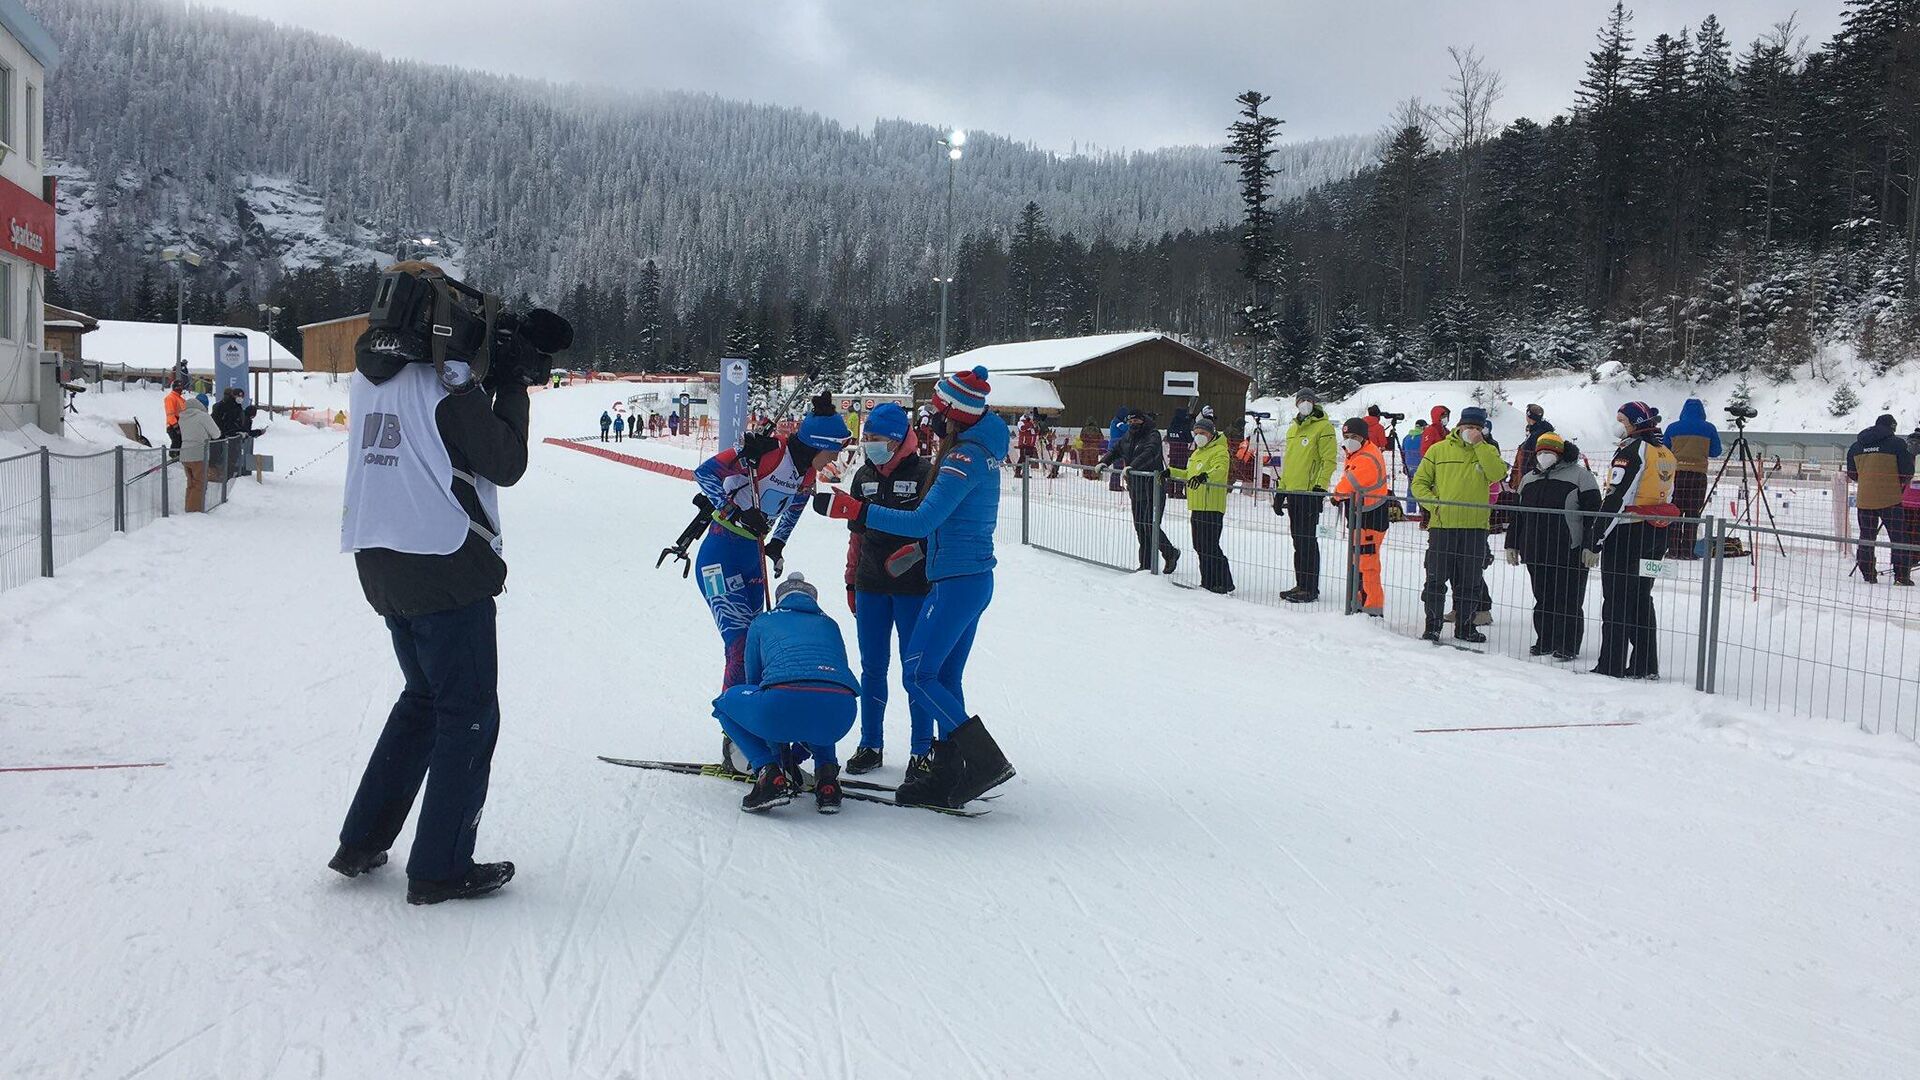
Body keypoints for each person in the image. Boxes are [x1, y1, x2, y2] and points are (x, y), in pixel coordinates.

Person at [334, 263, 548, 904]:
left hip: (382, 561)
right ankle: (440, 867)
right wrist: (510, 383)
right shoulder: (445, 389)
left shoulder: (370, 378)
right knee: (469, 715)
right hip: (445, 563)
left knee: (423, 700)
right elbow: (505, 462)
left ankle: (362, 840)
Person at [814, 365, 1014, 809]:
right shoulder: (975, 450)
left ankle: (982, 760)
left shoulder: (961, 459)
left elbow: (924, 521)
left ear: (954, 414)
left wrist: (857, 511)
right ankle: (950, 768)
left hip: (955, 582)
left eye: (937, 411)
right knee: (944, 676)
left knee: (919, 675)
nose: (931, 420)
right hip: (966, 576)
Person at [693, 395, 851, 695]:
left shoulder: (806, 472)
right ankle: (734, 726)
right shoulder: (767, 452)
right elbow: (704, 474)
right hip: (719, 557)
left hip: (753, 556)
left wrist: (777, 543)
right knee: (738, 646)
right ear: (817, 444)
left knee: (758, 642)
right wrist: (735, 513)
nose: (834, 459)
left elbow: (795, 508)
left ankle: (757, 709)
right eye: (833, 451)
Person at [839, 403, 934, 775]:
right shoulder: (863, 475)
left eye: (875, 438)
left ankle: (921, 750)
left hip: (913, 588)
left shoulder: (926, 473)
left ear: (896, 440)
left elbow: (934, 530)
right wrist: (850, 579)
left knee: (916, 671)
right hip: (871, 585)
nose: (868, 445)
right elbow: (855, 536)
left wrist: (917, 555)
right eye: (866, 439)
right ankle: (870, 744)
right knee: (872, 668)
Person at [712, 574, 860, 814]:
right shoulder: (830, 623)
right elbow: (833, 680)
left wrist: (778, 753)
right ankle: (828, 780)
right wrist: (796, 755)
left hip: (782, 703)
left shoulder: (762, 621)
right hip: (841, 713)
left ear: (781, 599)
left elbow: (755, 681)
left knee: (724, 704)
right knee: (823, 695)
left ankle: (768, 773)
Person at [1594, 401, 1679, 679]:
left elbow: (1618, 496)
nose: (1619, 426)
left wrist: (1596, 535)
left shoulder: (1632, 451)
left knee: (1617, 599)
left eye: (1622, 421)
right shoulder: (1664, 450)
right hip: (1657, 531)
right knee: (1642, 598)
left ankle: (1611, 664)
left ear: (1634, 423)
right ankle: (1645, 664)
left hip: (1628, 532)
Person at [1410, 405, 1505, 643]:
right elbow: (1419, 483)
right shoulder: (1438, 450)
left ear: (1482, 430)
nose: (1471, 431)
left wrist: (1480, 446)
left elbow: (1497, 474)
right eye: (1467, 426)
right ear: (1458, 426)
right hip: (1443, 526)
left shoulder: (1488, 450)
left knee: (1470, 582)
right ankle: (1432, 626)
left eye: (1476, 427)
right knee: (1435, 579)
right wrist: (1435, 505)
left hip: (1474, 528)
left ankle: (1465, 627)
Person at [1505, 432, 1603, 661]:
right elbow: (1518, 515)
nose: (1544, 455)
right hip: (1536, 549)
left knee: (1568, 600)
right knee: (1543, 598)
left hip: (1569, 550)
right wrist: (1512, 543)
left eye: (1549, 452)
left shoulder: (1581, 477)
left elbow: (1594, 515)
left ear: (1560, 454)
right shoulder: (1529, 479)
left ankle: (1568, 645)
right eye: (1540, 452)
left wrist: (1590, 545)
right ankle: (1545, 640)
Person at [1273, 389, 1337, 602]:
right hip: (1293, 491)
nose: (1305, 404)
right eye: (1302, 400)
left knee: (1308, 540)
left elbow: (1328, 460)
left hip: (1309, 492)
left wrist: (1320, 486)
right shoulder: (1293, 429)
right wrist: (1281, 490)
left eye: (1309, 400)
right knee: (1297, 540)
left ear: (1315, 403)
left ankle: (1310, 588)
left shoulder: (1324, 427)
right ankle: (1300, 583)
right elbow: (1289, 463)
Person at [1101, 408, 1180, 573]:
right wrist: (1104, 462)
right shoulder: (1128, 436)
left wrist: (1132, 466)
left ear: (1142, 420)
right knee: (1140, 527)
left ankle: (1170, 552)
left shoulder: (1153, 435)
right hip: (1136, 488)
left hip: (1153, 487)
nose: (1133, 424)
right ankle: (1145, 566)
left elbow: (1150, 453)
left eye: (1136, 421)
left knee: (1150, 525)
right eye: (1130, 422)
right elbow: (1116, 450)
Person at [1846, 413, 1917, 585]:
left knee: (1866, 537)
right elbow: (1907, 471)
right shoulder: (1897, 444)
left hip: (1864, 499)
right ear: (1892, 427)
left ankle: (1868, 574)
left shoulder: (1856, 446)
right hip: (1890, 499)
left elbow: (1852, 474)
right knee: (1899, 537)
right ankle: (1901, 576)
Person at [1330, 417, 1391, 616]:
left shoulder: (1366, 457)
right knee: (1359, 561)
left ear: (1364, 437)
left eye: (1354, 436)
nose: (1349, 440)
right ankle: (1359, 601)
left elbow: (1350, 483)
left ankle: (1371, 607)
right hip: (1361, 515)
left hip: (1369, 517)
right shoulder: (1357, 453)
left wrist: (1336, 496)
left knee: (1367, 562)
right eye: (1346, 436)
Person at [1168, 411, 1234, 593]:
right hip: (1197, 505)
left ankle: (1223, 581)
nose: (1199, 436)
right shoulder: (1197, 453)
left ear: (1211, 434)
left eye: (1202, 433)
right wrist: (1171, 472)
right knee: (1199, 545)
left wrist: (1205, 476)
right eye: (1196, 433)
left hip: (1212, 505)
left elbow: (1219, 470)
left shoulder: (1220, 450)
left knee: (1210, 545)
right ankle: (1208, 581)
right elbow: (1189, 475)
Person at [1662, 398, 1722, 559]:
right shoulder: (1709, 428)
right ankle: (1688, 551)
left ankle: (1673, 550)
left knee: (1674, 512)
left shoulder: (1672, 428)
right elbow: (1716, 451)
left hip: (1676, 474)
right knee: (1692, 514)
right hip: (1698, 475)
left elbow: (1664, 448)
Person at [176, 393, 222, 512]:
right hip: (199, 453)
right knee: (199, 484)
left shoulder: (182, 417)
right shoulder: (203, 416)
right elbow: (216, 434)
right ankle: (194, 512)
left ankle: (188, 508)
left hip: (185, 454)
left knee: (191, 483)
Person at [1507, 404, 1555, 489]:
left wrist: (1522, 484)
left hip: (1531, 483)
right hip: (1545, 482)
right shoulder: (1548, 434)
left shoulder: (1534, 437)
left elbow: (1525, 463)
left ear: (1529, 416)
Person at [1165, 407, 1195, 499]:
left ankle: (1170, 491)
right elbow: (1190, 439)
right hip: (1182, 453)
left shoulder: (1171, 427)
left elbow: (1168, 438)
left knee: (1171, 471)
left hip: (1173, 452)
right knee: (1181, 471)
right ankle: (1178, 491)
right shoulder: (1184, 427)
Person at [1400, 419, 1428, 515]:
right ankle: (1422, 510)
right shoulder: (1423, 438)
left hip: (1409, 466)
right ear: (1423, 427)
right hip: (1420, 466)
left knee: (1410, 488)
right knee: (1422, 487)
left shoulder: (1406, 438)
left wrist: (1404, 465)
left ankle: (1410, 510)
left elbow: (1402, 452)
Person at [164, 382, 186, 455]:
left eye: (181, 387)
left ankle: (177, 457)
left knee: (180, 443)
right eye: (179, 387)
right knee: (176, 442)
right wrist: (176, 426)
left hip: (181, 423)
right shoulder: (170, 398)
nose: (181, 389)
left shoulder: (180, 398)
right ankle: (172, 458)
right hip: (173, 425)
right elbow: (170, 414)